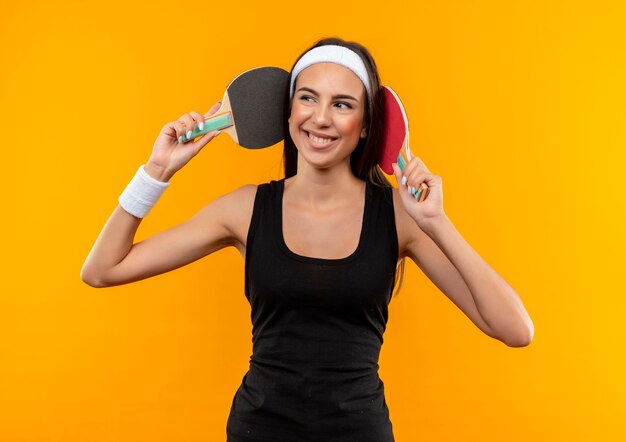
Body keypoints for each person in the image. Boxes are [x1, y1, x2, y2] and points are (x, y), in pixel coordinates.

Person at [81, 37, 534, 441]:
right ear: (288, 111)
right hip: (258, 430)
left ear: (366, 124)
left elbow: (515, 330)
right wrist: (156, 171)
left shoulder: (402, 216)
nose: (320, 118)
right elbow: (103, 270)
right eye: (307, 98)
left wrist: (437, 223)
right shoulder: (243, 210)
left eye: (342, 104)